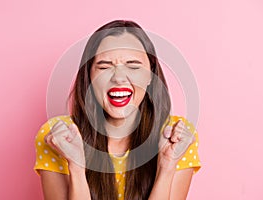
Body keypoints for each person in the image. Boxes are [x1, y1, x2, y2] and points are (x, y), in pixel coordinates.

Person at [34, 20, 201, 200]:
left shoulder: (177, 137)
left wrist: (166, 168)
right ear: (89, 76)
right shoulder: (58, 137)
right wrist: (76, 167)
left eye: (133, 66)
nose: (119, 78)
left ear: (150, 75)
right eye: (105, 67)